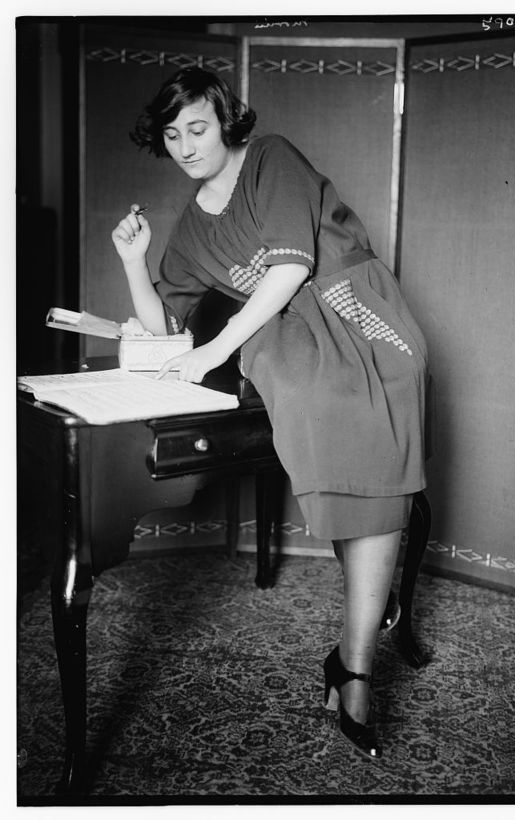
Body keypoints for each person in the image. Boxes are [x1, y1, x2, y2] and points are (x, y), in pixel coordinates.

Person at [111, 67, 428, 761]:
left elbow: (291, 269)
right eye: (172, 135)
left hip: (352, 306)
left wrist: (215, 348)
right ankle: (360, 654)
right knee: (322, 411)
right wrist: (135, 263)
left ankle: (353, 655)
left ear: (225, 121)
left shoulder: (271, 157)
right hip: (282, 334)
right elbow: (168, 329)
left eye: (198, 128)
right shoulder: (191, 227)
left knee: (380, 407)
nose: (186, 146)